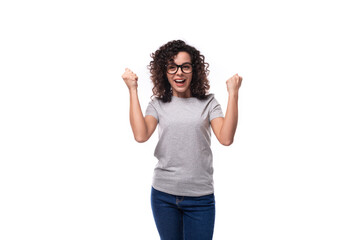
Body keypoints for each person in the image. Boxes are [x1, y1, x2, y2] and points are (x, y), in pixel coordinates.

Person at [121, 40, 242, 240]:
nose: (179, 73)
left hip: (201, 198)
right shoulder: (158, 104)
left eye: (185, 67)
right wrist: (133, 90)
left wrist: (233, 94)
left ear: (194, 70)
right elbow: (141, 135)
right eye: (172, 67)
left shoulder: (209, 103)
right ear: (164, 72)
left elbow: (226, 138)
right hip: (163, 195)